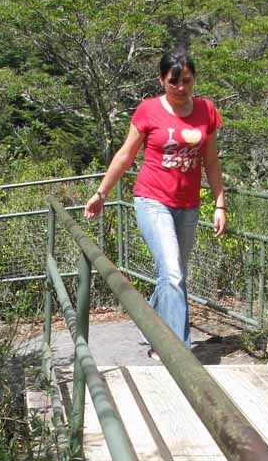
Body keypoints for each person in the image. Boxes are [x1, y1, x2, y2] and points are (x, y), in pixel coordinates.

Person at [84, 47, 226, 354]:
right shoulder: (148, 110)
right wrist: (101, 193)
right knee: (173, 274)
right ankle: (180, 354)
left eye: (186, 81)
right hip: (152, 200)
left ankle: (149, 319)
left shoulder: (206, 110)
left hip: (188, 206)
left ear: (193, 80)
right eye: (173, 81)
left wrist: (219, 203)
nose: (180, 88)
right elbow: (125, 155)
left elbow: (211, 162)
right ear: (162, 79)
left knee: (173, 274)